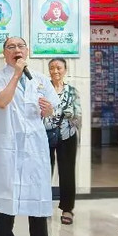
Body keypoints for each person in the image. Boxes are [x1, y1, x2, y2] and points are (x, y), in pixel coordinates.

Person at [0, 37, 63, 236]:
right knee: (7, 198)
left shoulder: (39, 79)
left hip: (34, 146)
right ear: (4, 53)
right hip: (8, 145)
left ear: (27, 51)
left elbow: (52, 108)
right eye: (11, 47)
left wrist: (49, 110)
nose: (16, 50)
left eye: (20, 46)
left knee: (37, 197)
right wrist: (17, 74)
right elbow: (1, 101)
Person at [44, 58, 81, 225]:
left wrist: (68, 114)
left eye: (58, 68)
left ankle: (67, 209)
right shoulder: (42, 90)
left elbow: (78, 116)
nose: (55, 71)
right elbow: (36, 111)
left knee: (67, 173)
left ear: (65, 70)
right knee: (44, 172)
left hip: (67, 136)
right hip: (45, 135)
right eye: (52, 68)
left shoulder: (72, 91)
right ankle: (44, 206)